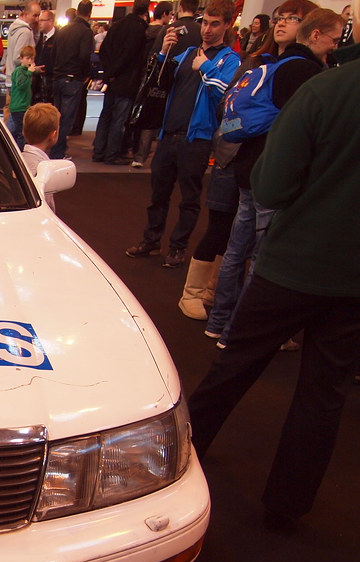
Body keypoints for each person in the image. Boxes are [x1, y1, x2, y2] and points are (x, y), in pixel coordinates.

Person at [187, 5, 360, 533]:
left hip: (294, 262)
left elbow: (272, 184)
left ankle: (182, 456)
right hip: (353, 280)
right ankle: (288, 504)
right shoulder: (320, 82)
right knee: (324, 393)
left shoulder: (328, 90)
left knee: (236, 363)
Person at [204, 2, 334, 346]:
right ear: (317, 33)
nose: (281, 23)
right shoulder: (305, 72)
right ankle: (238, 332)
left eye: (290, 18)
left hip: (246, 162)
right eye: (282, 18)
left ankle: (218, 323)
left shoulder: (261, 63)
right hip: (273, 170)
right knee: (261, 256)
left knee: (236, 248)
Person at [124, 0, 239, 268]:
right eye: (205, 23)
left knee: (189, 199)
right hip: (169, 133)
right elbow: (159, 81)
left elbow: (224, 93)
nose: (208, 29)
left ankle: (178, 247)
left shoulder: (229, 59)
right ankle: (151, 240)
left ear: (227, 25)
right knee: (158, 195)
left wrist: (207, 68)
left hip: (197, 138)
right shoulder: (187, 52)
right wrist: (163, 52)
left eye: (214, 24)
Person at [92, 0, 149, 165]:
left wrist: (109, 73)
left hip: (112, 80)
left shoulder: (117, 26)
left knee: (106, 116)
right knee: (118, 120)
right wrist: (115, 72)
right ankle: (111, 154)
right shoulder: (139, 30)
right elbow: (128, 56)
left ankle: (99, 152)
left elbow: (103, 51)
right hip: (126, 81)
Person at [48, 0, 93, 159]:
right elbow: (84, 56)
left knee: (56, 118)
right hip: (72, 78)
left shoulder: (63, 30)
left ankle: (53, 150)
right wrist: (85, 73)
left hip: (58, 77)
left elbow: (53, 55)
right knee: (66, 119)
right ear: (90, 13)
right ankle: (57, 153)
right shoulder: (85, 32)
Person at [131, 1, 173, 167]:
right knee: (151, 116)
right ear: (165, 14)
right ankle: (143, 155)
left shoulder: (144, 31)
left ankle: (138, 154)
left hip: (141, 78)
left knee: (140, 115)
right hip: (158, 80)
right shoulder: (165, 32)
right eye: (169, 15)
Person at [21, 102, 61, 212]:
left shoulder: (19, 159)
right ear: (53, 135)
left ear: (23, 132)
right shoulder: (41, 169)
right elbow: (45, 210)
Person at [5, 45, 36, 145]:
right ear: (21, 59)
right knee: (21, 133)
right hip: (19, 107)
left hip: (22, 106)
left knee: (14, 130)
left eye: (32, 58)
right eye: (27, 58)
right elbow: (21, 85)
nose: (30, 61)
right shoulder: (19, 71)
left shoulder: (25, 71)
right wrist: (29, 73)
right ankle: (19, 152)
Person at [5, 2, 39, 79]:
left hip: (12, 76)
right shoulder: (25, 32)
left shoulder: (14, 27)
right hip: (20, 80)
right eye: (35, 15)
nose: (37, 19)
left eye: (38, 15)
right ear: (26, 14)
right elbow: (17, 58)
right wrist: (33, 68)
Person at [33, 10, 57, 104]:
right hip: (37, 84)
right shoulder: (38, 37)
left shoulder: (59, 38)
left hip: (51, 83)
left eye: (42, 20)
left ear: (50, 21)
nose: (39, 23)